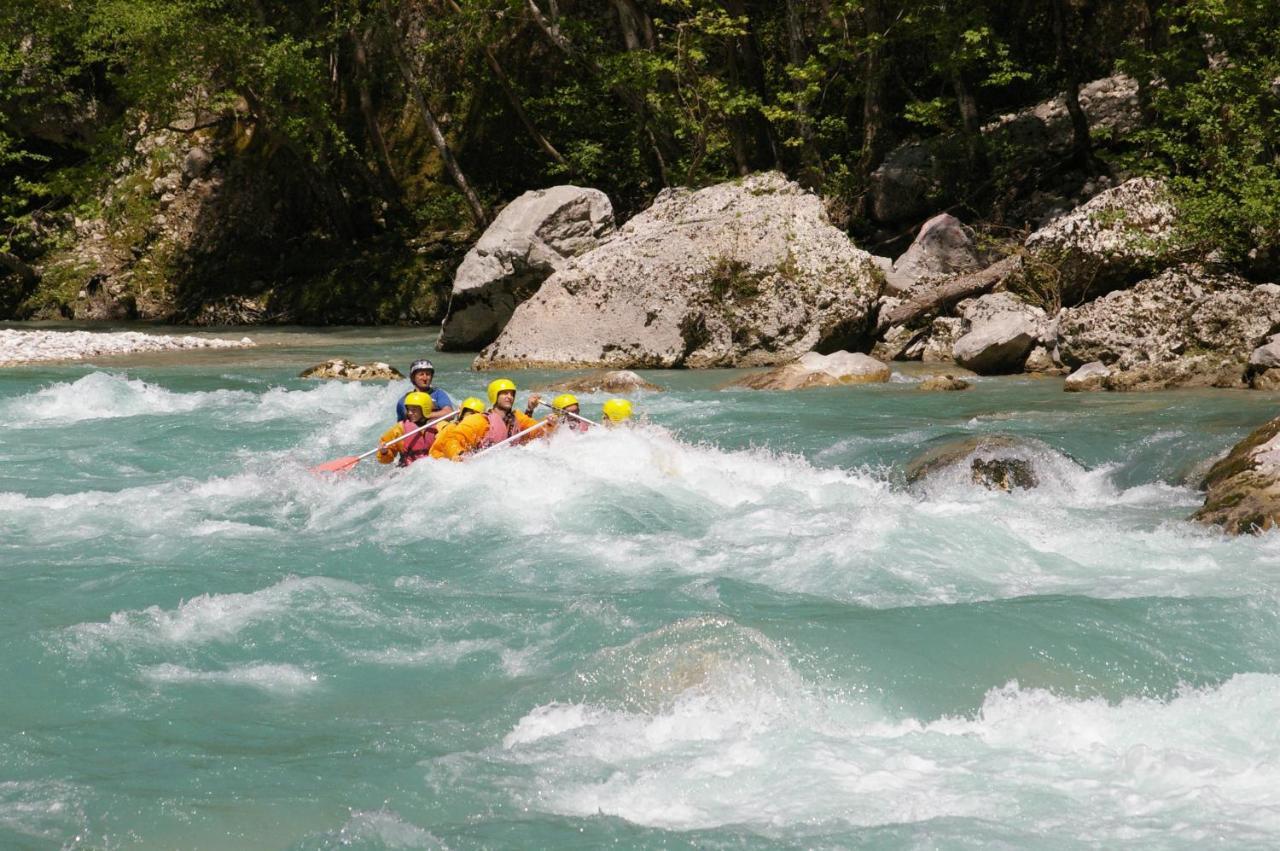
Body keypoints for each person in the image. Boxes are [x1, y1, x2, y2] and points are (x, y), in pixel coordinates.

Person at [429, 380, 545, 461]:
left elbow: (539, 431)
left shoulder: (517, 418)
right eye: (505, 393)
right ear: (495, 395)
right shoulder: (480, 421)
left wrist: (550, 423)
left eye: (512, 394)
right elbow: (452, 439)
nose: (509, 397)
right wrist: (458, 454)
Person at [377, 392, 435, 467]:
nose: (410, 413)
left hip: (432, 467)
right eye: (408, 409)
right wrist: (384, 452)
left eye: (414, 410)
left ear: (425, 410)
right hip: (407, 469)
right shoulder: (399, 428)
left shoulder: (439, 427)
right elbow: (386, 460)